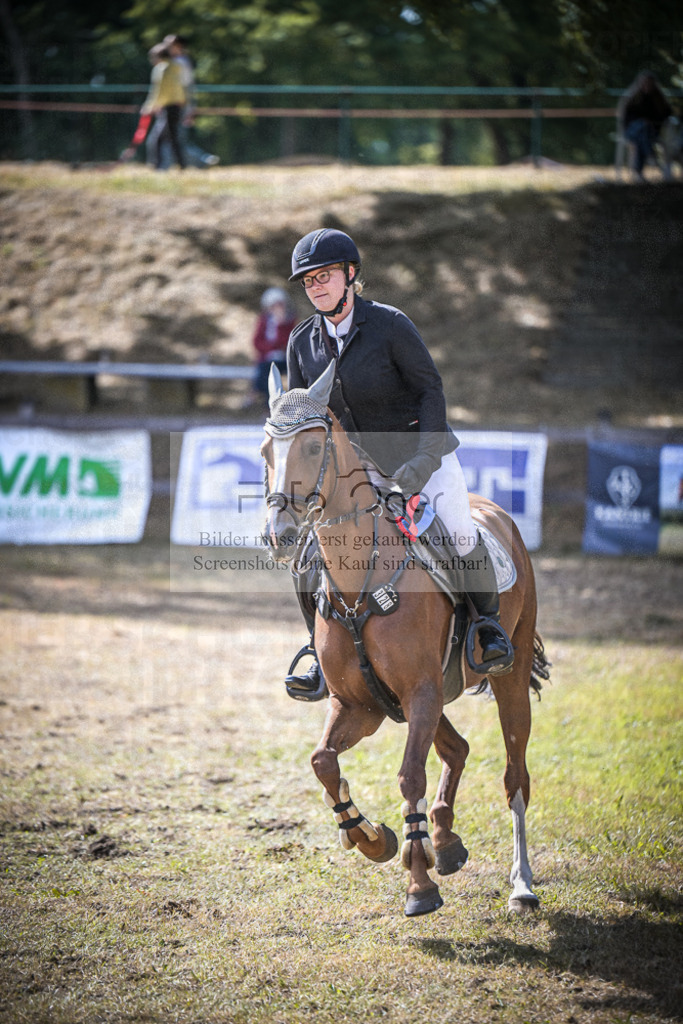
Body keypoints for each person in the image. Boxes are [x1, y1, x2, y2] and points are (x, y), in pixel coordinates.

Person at [281, 228, 512, 699]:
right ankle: (319, 652)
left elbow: (430, 389)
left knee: (459, 533)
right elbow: (299, 417)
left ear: (350, 275)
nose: (316, 287)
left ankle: (487, 629)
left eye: (324, 276)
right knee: (309, 554)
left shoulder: (389, 325)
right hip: (354, 475)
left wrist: (426, 457)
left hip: (418, 457)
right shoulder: (301, 341)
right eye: (308, 281)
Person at [160, 35, 219, 169]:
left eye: (170, 45)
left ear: (179, 46)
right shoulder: (169, 62)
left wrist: (190, 107)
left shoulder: (181, 63)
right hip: (169, 104)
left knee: (174, 138)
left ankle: (202, 160)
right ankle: (201, 160)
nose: (167, 47)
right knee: (167, 138)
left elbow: (187, 86)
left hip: (179, 105)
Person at [243, 287, 298, 409]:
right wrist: (270, 348)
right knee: (266, 371)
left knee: (266, 370)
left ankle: (254, 393)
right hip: (267, 359)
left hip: (285, 360)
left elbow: (288, 342)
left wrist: (280, 325)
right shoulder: (264, 320)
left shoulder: (289, 320)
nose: (277, 308)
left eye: (280, 304)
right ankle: (269, 406)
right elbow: (257, 342)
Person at [618, 71, 673, 181]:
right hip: (632, 131)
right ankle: (650, 155)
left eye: (649, 83)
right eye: (644, 83)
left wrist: (651, 121)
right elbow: (626, 120)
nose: (647, 85)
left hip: (650, 133)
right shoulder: (633, 100)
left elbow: (667, 114)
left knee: (641, 138)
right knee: (642, 127)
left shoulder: (659, 100)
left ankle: (638, 173)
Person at [141, 42, 187, 170]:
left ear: (158, 56)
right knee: (172, 137)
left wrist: (150, 106)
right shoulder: (177, 66)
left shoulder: (161, 68)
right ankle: (181, 165)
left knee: (156, 139)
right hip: (177, 106)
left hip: (168, 107)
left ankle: (156, 165)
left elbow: (158, 90)